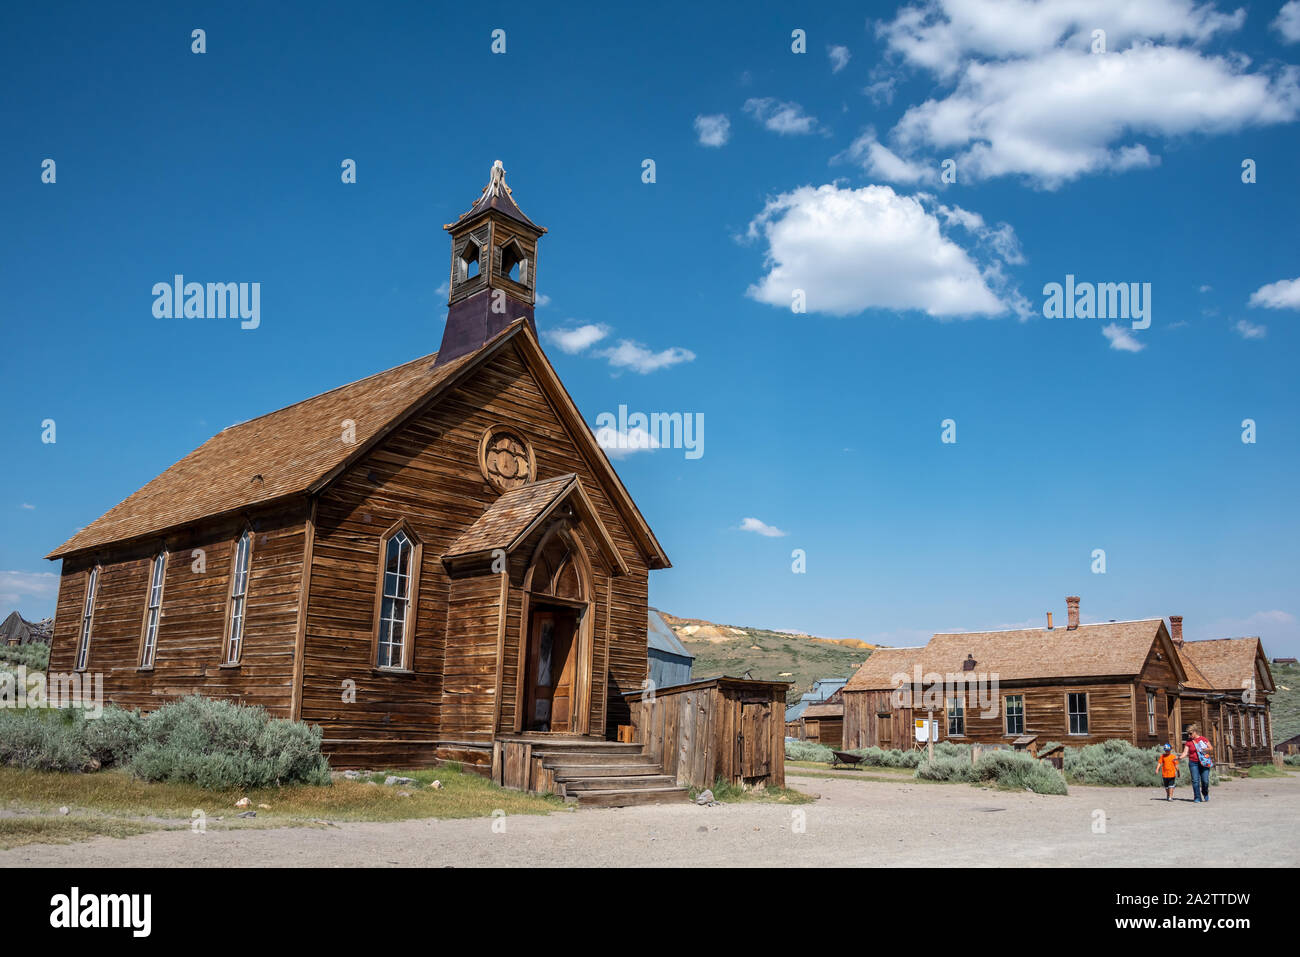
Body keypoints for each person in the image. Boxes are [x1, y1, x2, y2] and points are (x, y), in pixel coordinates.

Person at [1179, 725, 1214, 803]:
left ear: (1195, 732)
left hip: (1204, 762)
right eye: (1188, 734)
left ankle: (1205, 793)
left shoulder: (1203, 739)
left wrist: (1206, 749)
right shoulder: (1188, 742)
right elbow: (1185, 752)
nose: (1189, 735)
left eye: (1190, 733)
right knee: (1195, 780)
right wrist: (1179, 757)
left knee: (1205, 780)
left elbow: (1211, 748)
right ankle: (1197, 797)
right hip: (1193, 763)